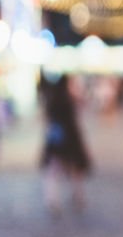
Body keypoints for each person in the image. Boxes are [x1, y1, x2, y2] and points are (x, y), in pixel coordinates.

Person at [39, 74, 92, 215]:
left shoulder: (54, 99)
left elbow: (48, 121)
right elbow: (74, 123)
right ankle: (77, 196)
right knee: (74, 170)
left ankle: (53, 199)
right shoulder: (67, 101)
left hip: (56, 141)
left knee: (55, 171)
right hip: (69, 141)